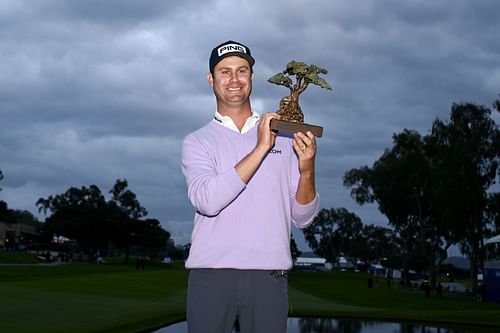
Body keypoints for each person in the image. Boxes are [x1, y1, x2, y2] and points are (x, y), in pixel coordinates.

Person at [181, 40, 320, 333]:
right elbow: (207, 200)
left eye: (242, 70)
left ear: (252, 78)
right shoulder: (197, 141)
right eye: (224, 72)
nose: (234, 80)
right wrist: (260, 148)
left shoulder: (284, 136)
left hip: (268, 276)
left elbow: (303, 218)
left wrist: (307, 170)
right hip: (212, 275)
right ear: (211, 79)